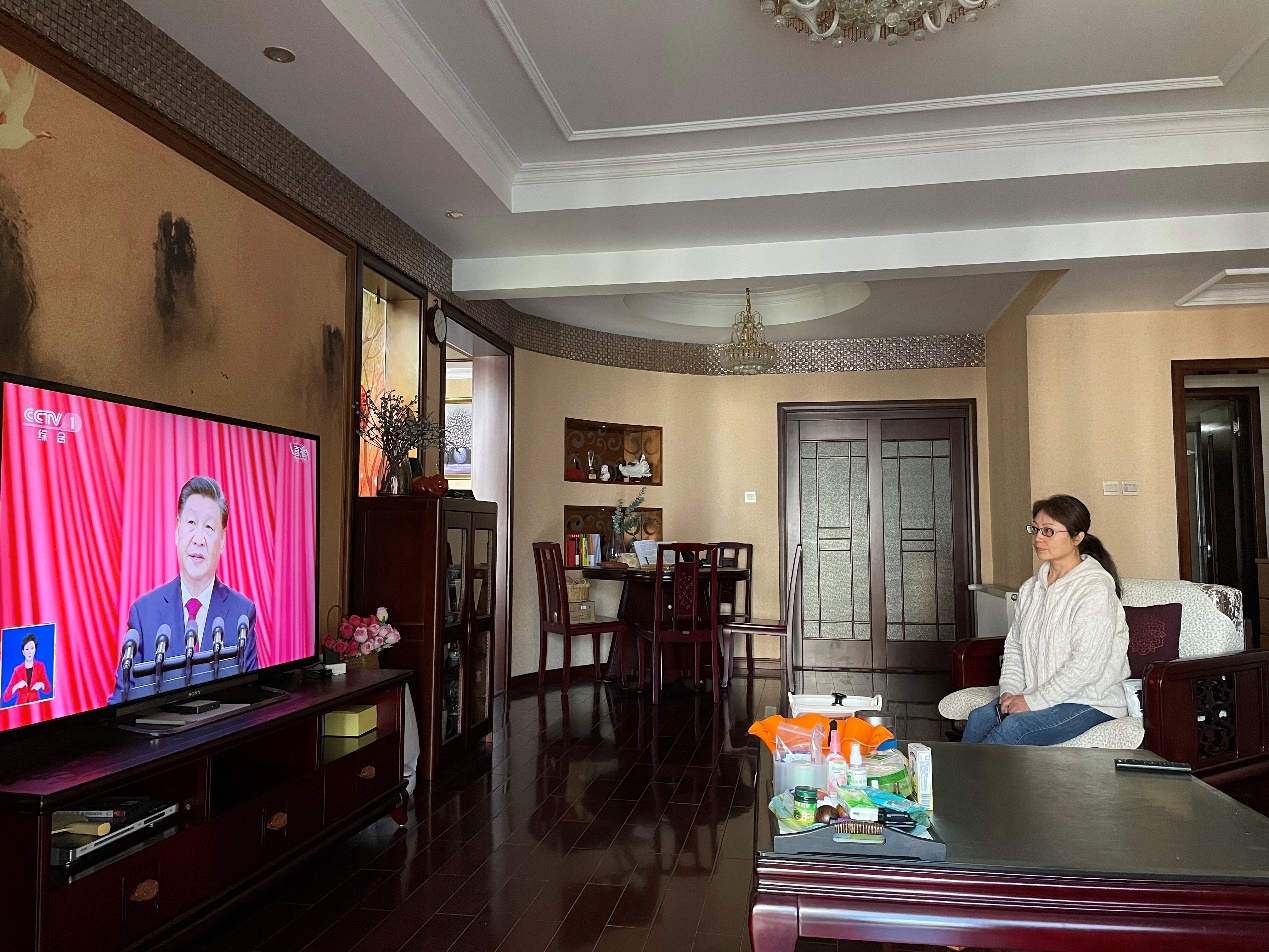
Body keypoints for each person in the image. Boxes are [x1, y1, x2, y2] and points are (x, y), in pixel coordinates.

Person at [962, 494, 1130, 746]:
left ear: (1077, 537)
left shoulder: (1094, 589)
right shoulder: (1032, 588)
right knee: (979, 718)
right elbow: (1015, 646)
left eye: (1048, 531)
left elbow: (1087, 664)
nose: (1037, 538)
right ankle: (953, 774)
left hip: (1090, 701)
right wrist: (1010, 690)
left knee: (1014, 728)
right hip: (1040, 694)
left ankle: (972, 775)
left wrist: (1033, 701)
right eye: (1035, 529)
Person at [108, 476, 257, 703]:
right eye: (191, 523)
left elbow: (252, 697)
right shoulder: (144, 612)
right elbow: (121, 701)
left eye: (209, 527)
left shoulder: (242, 614)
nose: (198, 539)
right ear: (177, 530)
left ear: (223, 540)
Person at [4, 633, 50, 706]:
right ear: (23, 652)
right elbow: (6, 697)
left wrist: (42, 685)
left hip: (36, 707)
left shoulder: (40, 667)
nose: (29, 652)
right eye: (27, 649)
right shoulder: (17, 670)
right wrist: (17, 686)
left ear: (35, 650)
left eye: (32, 648)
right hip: (21, 708)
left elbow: (48, 690)